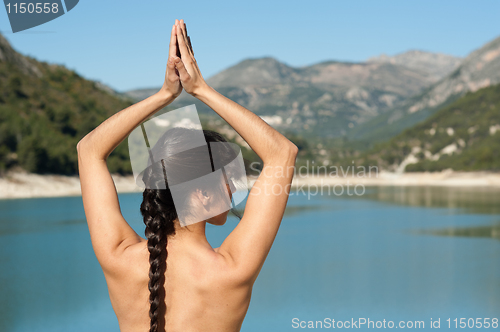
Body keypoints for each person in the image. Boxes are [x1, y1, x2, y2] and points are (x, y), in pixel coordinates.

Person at [77, 19, 298, 332]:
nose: (234, 187)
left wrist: (164, 94)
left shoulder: (118, 257)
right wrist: (200, 90)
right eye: (227, 178)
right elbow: (281, 152)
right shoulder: (232, 270)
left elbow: (89, 149)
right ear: (201, 193)